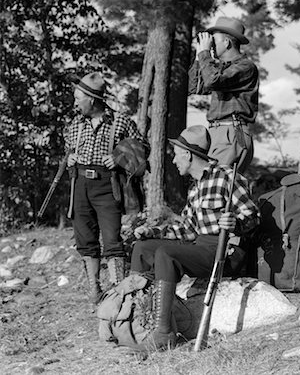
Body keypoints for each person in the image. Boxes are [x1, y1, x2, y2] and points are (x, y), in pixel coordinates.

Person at [128, 125, 259, 351]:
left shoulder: (227, 177)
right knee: (143, 248)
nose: (174, 160)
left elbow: (253, 217)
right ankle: (138, 321)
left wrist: (236, 223)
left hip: (225, 252)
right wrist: (153, 233)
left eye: (176, 154)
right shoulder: (195, 188)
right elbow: (187, 230)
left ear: (188, 154)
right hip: (200, 247)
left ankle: (163, 334)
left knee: (166, 254)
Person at [65, 72, 145, 305]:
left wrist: (119, 158)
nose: (75, 103)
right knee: (85, 239)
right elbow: (68, 147)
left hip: (107, 185)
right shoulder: (76, 123)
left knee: (111, 239)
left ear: (92, 99)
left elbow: (142, 148)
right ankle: (94, 290)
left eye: (78, 98)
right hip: (80, 184)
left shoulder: (121, 121)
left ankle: (118, 292)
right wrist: (70, 158)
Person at [188, 16, 259, 173]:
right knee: (216, 188)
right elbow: (195, 88)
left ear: (227, 43)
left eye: (214, 41)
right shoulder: (218, 68)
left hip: (231, 132)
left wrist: (206, 54)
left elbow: (213, 82)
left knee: (216, 182)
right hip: (219, 133)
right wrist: (199, 56)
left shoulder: (245, 67)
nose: (211, 46)